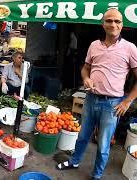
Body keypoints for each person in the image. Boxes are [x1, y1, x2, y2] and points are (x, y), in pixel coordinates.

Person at [56, 9, 137, 180]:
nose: (113, 24)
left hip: (112, 105)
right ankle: (74, 161)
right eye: (109, 20)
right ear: (103, 23)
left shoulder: (130, 48)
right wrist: (86, 78)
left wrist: (127, 101)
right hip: (91, 99)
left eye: (117, 21)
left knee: (103, 144)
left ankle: (97, 174)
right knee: (82, 136)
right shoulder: (94, 45)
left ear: (122, 25)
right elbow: (85, 68)